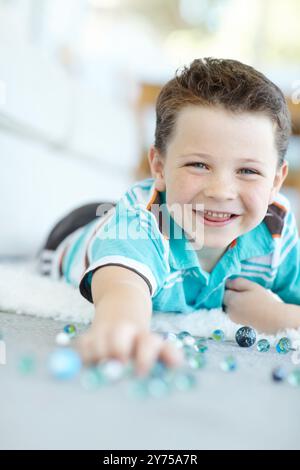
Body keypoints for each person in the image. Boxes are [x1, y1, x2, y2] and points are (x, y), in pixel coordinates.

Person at [40, 58, 300, 375]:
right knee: (126, 226)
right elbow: (123, 287)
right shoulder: (141, 224)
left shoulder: (276, 229)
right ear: (159, 167)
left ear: (275, 181)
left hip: (166, 206)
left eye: (248, 171)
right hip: (76, 231)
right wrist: (125, 330)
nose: (221, 191)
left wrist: (279, 317)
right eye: (199, 165)